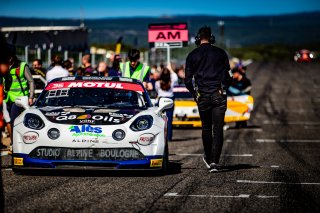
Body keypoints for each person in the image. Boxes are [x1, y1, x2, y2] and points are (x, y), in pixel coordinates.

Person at [185, 26, 232, 173]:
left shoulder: (192, 55)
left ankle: (209, 157)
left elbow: (187, 81)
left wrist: (194, 93)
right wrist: (223, 90)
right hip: (218, 95)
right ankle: (214, 162)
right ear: (211, 38)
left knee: (206, 127)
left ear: (198, 39)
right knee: (218, 129)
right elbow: (228, 77)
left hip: (203, 96)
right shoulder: (221, 53)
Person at [3, 43, 35, 145]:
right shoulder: (4, 67)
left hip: (20, 99)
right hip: (8, 98)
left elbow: (31, 81)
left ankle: (18, 143)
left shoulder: (22, 66)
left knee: (13, 120)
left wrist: (31, 97)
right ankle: (15, 142)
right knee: (9, 121)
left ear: (12, 56)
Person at [155, 67, 178, 141]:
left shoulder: (157, 83)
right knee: (169, 120)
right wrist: (170, 68)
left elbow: (156, 91)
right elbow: (175, 76)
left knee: (159, 120)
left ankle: (161, 138)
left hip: (161, 100)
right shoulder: (172, 81)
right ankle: (169, 137)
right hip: (169, 100)